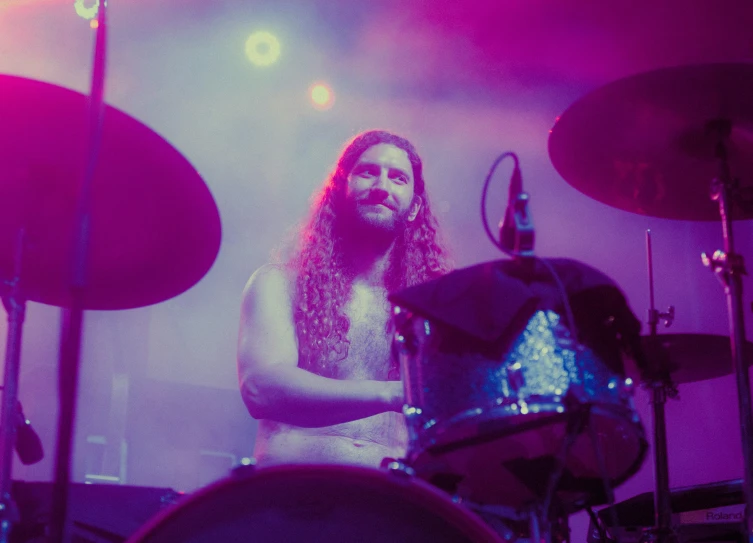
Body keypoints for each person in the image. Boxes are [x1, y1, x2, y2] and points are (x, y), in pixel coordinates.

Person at [237, 130, 451, 468]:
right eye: (368, 172)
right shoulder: (279, 283)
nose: (382, 186)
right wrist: (394, 393)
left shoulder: (434, 307)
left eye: (398, 178)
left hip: (391, 505)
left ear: (414, 209)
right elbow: (261, 389)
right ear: (339, 190)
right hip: (288, 496)